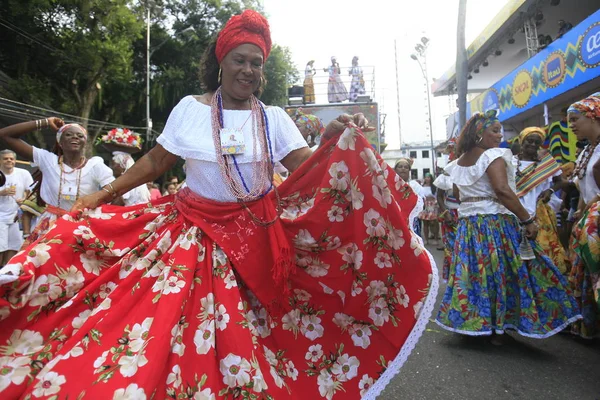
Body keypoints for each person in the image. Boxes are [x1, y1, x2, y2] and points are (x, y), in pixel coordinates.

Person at [0, 10, 436, 399]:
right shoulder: (191, 109)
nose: (248, 70)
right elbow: (155, 161)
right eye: (239, 60)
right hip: (193, 237)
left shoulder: (275, 119)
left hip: (262, 241)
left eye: (256, 63)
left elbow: (308, 170)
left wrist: (334, 139)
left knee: (255, 339)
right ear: (221, 62)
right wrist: (98, 197)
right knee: (169, 332)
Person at [435, 110, 580, 344]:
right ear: (479, 134)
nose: (500, 134)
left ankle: (478, 324)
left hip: (468, 226)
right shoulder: (492, 156)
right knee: (503, 273)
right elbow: (503, 191)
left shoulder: (458, 163)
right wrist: (526, 219)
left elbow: (455, 195)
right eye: (495, 130)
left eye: (500, 130)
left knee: (476, 275)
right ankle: (498, 328)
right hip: (493, 224)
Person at [0, 121, 115, 248]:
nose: (75, 137)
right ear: (60, 142)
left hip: (82, 228)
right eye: (69, 135)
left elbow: (113, 193)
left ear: (85, 143)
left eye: (80, 136)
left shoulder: (96, 166)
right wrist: (44, 122)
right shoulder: (47, 160)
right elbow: (5, 135)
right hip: (49, 227)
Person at [566, 93, 600, 338]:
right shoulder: (587, 152)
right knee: (587, 275)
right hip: (589, 221)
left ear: (593, 116)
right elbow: (583, 188)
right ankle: (589, 326)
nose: (572, 125)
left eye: (576, 119)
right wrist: (580, 209)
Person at [514, 127, 569, 274]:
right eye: (529, 141)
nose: (532, 145)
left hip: (541, 211)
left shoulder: (546, 162)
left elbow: (561, 181)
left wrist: (550, 190)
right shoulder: (510, 162)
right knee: (519, 250)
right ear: (522, 141)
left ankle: (548, 282)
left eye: (536, 142)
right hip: (516, 211)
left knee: (544, 248)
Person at [0, 150, 33, 265]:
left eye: (11, 159)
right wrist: (1, 192)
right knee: (1, 247)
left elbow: (30, 190)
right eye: (5, 158)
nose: (9, 160)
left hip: (17, 215)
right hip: (0, 216)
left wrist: (24, 198)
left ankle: (7, 271)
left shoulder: (23, 173)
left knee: (14, 246)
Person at [434, 166, 459, 280]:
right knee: (451, 248)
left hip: (468, 213)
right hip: (451, 214)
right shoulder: (448, 171)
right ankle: (453, 279)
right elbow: (439, 196)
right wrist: (446, 213)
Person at [394, 157, 423, 237]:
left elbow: (420, 204)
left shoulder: (415, 186)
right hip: (395, 221)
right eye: (400, 167)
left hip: (411, 221)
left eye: (406, 167)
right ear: (395, 170)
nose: (403, 169)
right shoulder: (389, 185)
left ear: (409, 171)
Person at [418, 173, 439, 246]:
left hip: (433, 205)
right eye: (426, 177)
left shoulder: (434, 187)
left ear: (431, 178)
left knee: (434, 222)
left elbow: (437, 196)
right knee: (425, 223)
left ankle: (436, 238)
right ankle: (426, 240)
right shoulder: (422, 187)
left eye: (429, 177)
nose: (427, 179)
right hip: (425, 205)